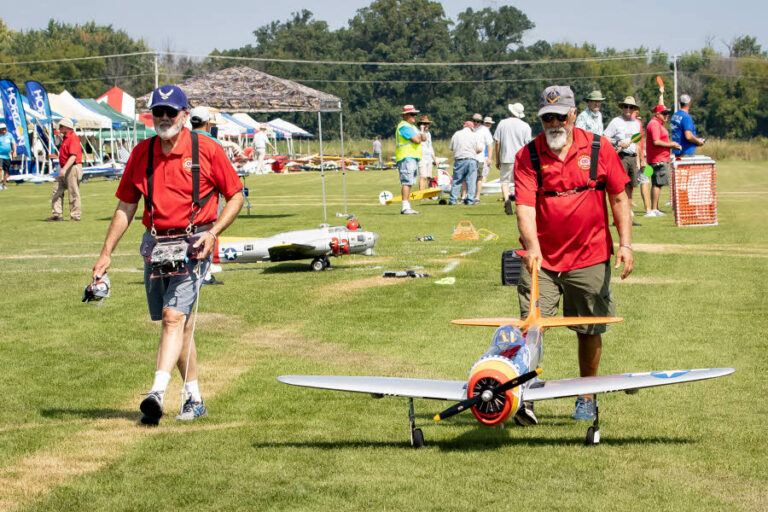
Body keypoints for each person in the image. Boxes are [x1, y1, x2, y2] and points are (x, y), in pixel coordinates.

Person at [91, 85, 244, 425]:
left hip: (195, 244)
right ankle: (194, 398)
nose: (162, 118)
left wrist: (212, 233)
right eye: (157, 112)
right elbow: (126, 205)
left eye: (170, 112)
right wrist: (106, 254)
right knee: (178, 324)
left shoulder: (207, 149)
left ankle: (156, 393)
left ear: (185, 115)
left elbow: (235, 196)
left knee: (174, 318)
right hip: (156, 244)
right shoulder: (142, 153)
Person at [514, 85, 633, 424]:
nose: (554, 123)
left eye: (560, 116)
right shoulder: (528, 155)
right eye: (546, 117)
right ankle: (525, 395)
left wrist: (625, 244)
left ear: (573, 115)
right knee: (531, 327)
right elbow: (524, 207)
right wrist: (533, 249)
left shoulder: (598, 147)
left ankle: (586, 396)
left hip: (591, 255)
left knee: (590, 328)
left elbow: (619, 198)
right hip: (544, 259)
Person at [604, 96, 644, 225]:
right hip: (620, 157)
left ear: (634, 109)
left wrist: (638, 160)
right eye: (626, 106)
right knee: (620, 188)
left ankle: (628, 218)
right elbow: (605, 137)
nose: (628, 109)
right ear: (622, 108)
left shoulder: (636, 124)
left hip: (632, 158)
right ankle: (618, 218)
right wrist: (618, 142)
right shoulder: (616, 121)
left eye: (631, 107)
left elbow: (636, 144)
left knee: (630, 189)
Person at [494, 103, 531, 215]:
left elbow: (497, 142)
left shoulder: (502, 123)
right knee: (519, 183)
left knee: (504, 181)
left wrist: (497, 158)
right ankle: (518, 204)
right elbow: (528, 144)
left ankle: (506, 200)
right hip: (521, 158)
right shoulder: (525, 126)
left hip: (506, 157)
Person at [645, 104, 681, 216]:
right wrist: (671, 145)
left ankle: (655, 208)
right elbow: (656, 141)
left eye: (667, 113)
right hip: (658, 159)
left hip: (658, 158)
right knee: (657, 183)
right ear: (657, 114)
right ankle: (654, 208)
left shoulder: (658, 123)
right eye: (664, 113)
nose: (666, 116)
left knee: (657, 183)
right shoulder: (655, 124)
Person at [46, 118, 83, 221]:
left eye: (61, 126)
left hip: (72, 167)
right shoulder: (66, 138)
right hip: (65, 168)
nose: (59, 128)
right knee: (57, 190)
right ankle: (57, 214)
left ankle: (75, 215)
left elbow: (73, 156)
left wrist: (64, 169)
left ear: (67, 127)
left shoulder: (73, 138)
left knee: (73, 192)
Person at [394, 105, 426, 214]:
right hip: (406, 157)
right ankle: (405, 207)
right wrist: (420, 134)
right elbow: (417, 139)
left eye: (415, 114)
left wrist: (421, 132)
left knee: (410, 182)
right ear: (406, 115)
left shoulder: (412, 127)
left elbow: (424, 138)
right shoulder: (404, 126)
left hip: (412, 157)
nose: (415, 116)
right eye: (412, 114)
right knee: (407, 182)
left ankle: (407, 206)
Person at [448, 121, 483, 205]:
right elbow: (479, 149)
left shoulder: (456, 134)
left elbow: (451, 147)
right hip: (471, 160)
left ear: (464, 126)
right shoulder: (474, 135)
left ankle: (452, 200)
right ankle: (470, 200)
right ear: (471, 127)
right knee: (471, 181)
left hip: (459, 159)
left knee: (456, 181)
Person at [474, 116, 495, 203]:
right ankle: (478, 193)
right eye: (486, 123)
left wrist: (490, 158)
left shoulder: (486, 132)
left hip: (484, 156)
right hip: (478, 156)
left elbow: (490, 145)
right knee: (480, 176)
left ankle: (480, 193)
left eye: (489, 124)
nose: (488, 125)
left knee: (483, 176)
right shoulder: (477, 131)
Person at [417, 115, 438, 191]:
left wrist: (434, 159)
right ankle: (422, 195)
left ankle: (429, 194)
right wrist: (422, 130)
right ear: (421, 124)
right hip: (421, 157)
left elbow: (430, 147)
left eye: (428, 123)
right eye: (425, 123)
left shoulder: (428, 133)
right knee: (423, 176)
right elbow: (421, 139)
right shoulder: (417, 132)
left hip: (428, 157)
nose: (427, 125)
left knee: (429, 176)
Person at [0, 123, 17, 190]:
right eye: (2, 129)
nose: (4, 130)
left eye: (4, 128)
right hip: (0, 155)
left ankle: (4, 184)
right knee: (0, 169)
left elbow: (13, 143)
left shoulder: (9, 135)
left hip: (7, 156)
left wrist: (14, 151)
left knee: (6, 171)